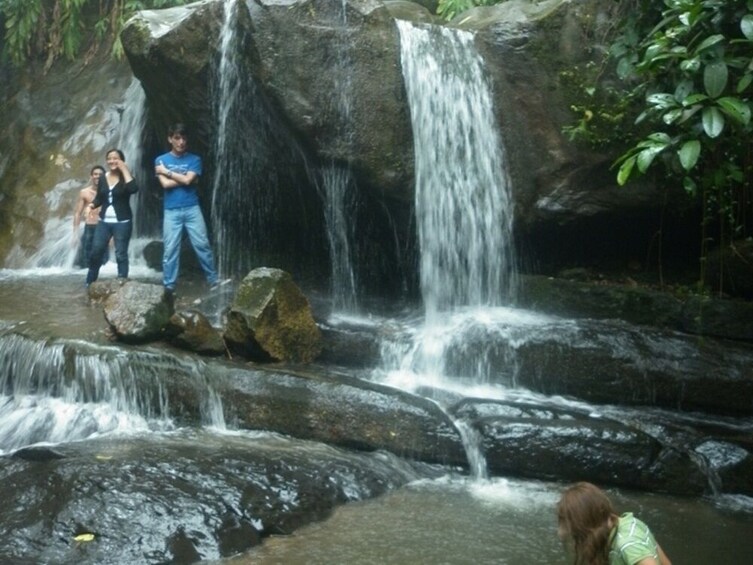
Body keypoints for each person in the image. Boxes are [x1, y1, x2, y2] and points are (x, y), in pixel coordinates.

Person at [154, 123, 227, 295]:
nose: (181, 142)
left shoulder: (194, 159)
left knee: (202, 244)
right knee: (170, 249)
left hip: (192, 208)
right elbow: (165, 184)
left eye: (184, 138)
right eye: (177, 138)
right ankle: (169, 286)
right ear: (170, 139)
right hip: (171, 210)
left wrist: (168, 172)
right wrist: (185, 178)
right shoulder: (160, 159)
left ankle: (213, 279)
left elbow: (187, 181)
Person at [557, 482, 672, 565]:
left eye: (569, 523)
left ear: (585, 521)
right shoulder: (629, 523)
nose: (563, 531)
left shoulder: (627, 544)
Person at [86, 148, 138, 286]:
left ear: (121, 160)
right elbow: (99, 198)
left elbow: (133, 189)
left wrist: (124, 169)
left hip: (122, 222)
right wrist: (91, 206)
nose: (112, 161)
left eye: (116, 158)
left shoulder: (127, 177)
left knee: (121, 254)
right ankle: (89, 282)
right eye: (109, 158)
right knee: (96, 251)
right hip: (104, 222)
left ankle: (122, 283)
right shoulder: (103, 177)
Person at [73, 165, 106, 268]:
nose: (97, 177)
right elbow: (78, 213)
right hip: (90, 226)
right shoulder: (84, 192)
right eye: (95, 174)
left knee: (104, 258)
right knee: (87, 256)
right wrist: (75, 233)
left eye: (100, 175)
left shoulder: (109, 192)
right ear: (91, 176)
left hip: (104, 226)